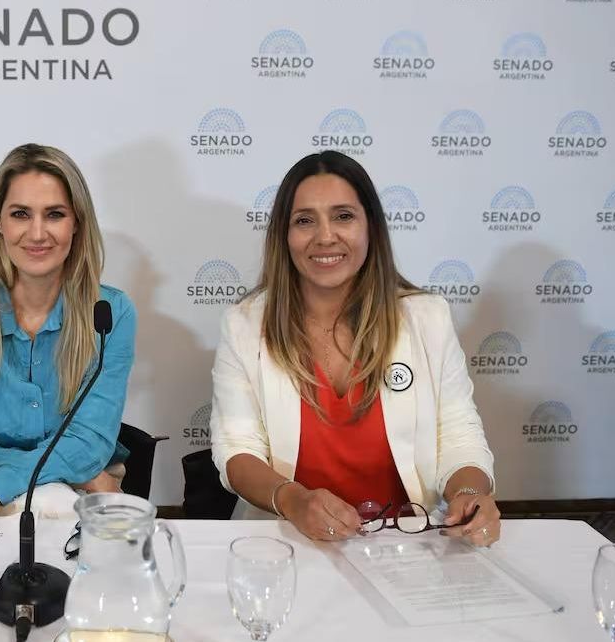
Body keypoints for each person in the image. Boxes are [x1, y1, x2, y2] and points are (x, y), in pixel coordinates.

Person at [210, 150, 500, 546]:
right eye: (304, 220)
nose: (325, 236)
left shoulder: (427, 318)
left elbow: (458, 436)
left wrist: (468, 495)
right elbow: (237, 449)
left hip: (410, 545)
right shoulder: (243, 325)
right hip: (288, 542)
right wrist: (295, 501)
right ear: (284, 235)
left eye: (343, 216)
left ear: (371, 228)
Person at [0, 143, 135, 517]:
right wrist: (75, 474)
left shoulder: (111, 312)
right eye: (21, 214)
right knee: (46, 505)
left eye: (54, 214)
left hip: (30, 489)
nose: (37, 233)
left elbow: (89, 445)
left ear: (77, 223)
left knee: (52, 508)